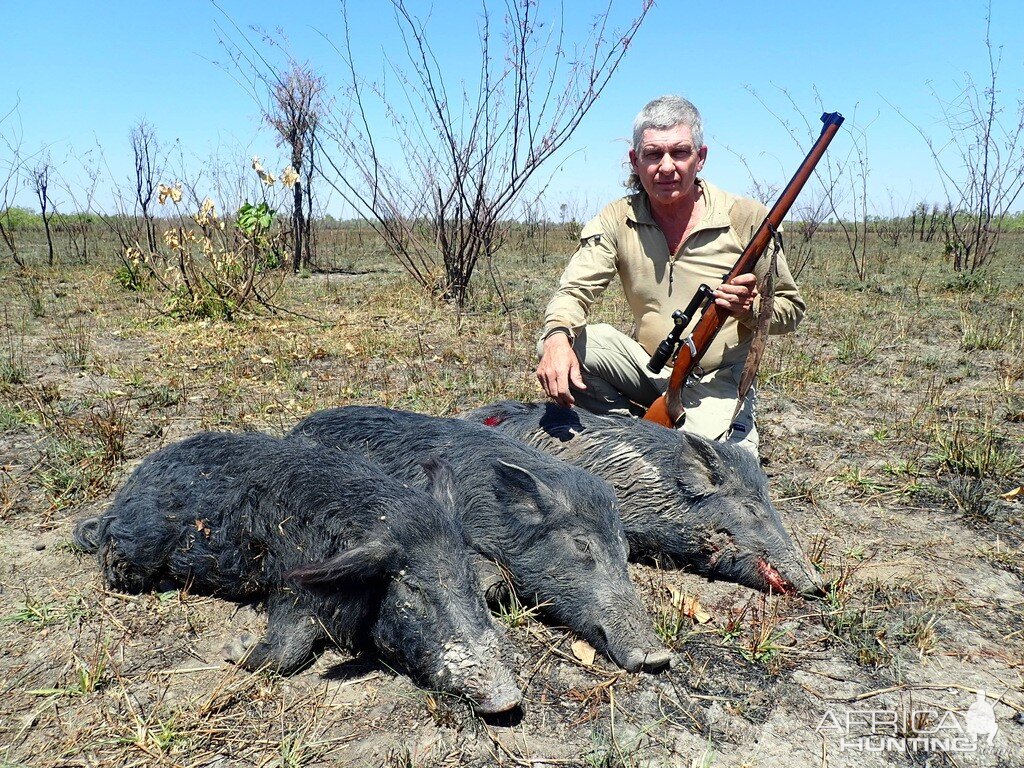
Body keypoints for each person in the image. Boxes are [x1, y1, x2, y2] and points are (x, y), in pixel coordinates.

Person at [535, 95, 805, 453]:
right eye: (652, 154)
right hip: (650, 368)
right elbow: (573, 291)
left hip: (717, 381)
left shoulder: (746, 218)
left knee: (722, 469)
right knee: (564, 343)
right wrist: (556, 338)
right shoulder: (617, 217)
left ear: (701, 157)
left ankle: (653, 439)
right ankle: (632, 432)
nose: (666, 167)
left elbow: (790, 309)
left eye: (679, 152)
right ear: (635, 160)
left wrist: (750, 310)